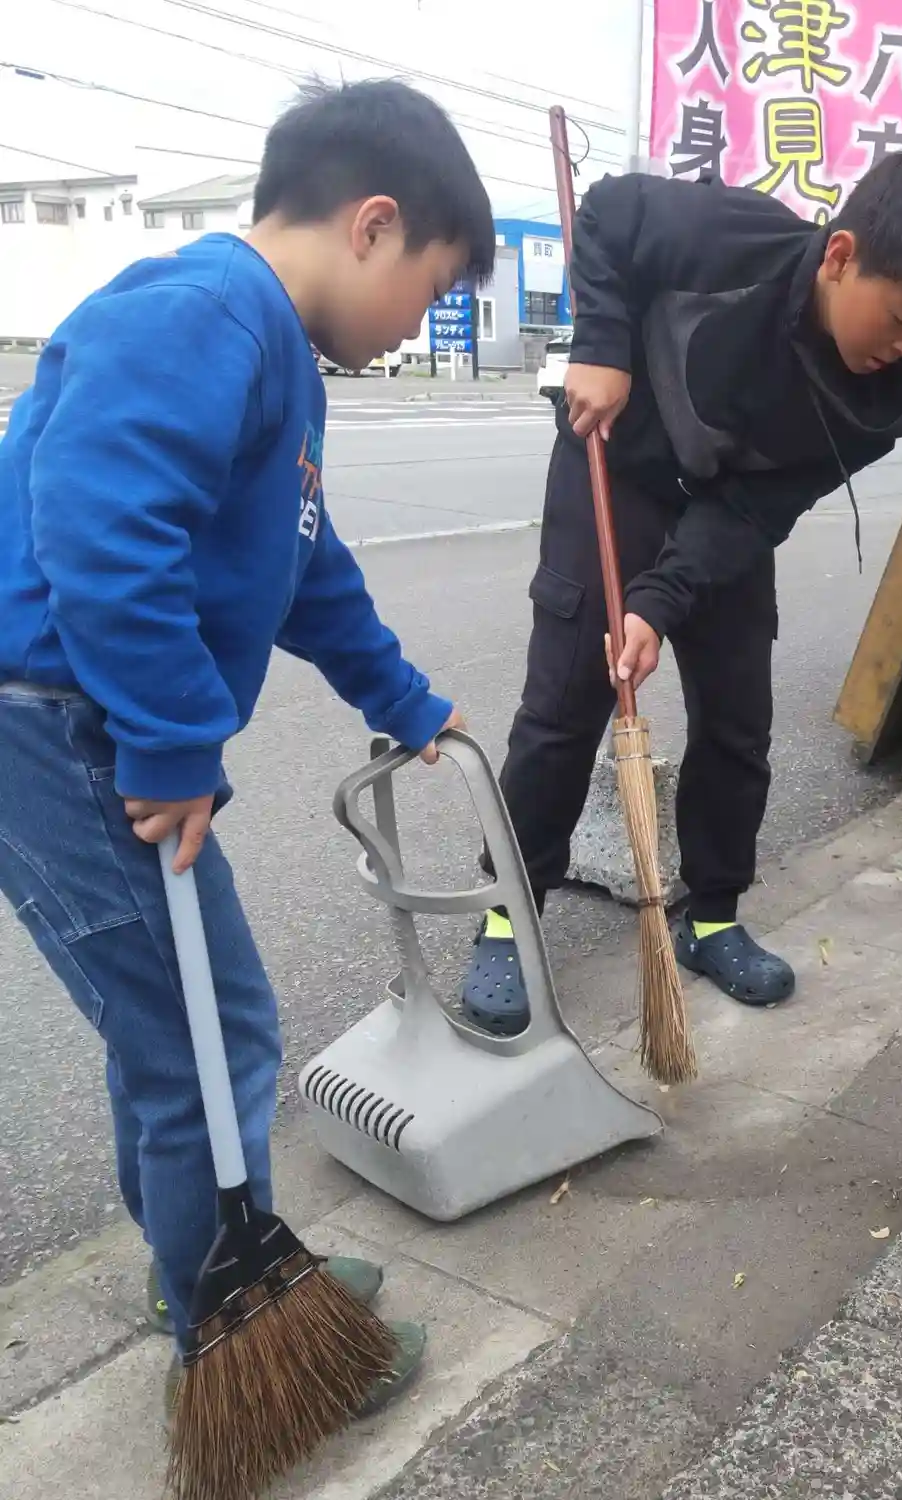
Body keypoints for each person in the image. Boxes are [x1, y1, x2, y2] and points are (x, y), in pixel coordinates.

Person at [0, 78, 494, 1413]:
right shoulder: (204, 313)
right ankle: (234, 1329)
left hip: (91, 720)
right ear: (373, 225)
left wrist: (401, 696)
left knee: (180, 1027)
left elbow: (301, 572)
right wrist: (170, 742)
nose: (420, 326)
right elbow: (100, 523)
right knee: (205, 1036)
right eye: (431, 289)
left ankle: (206, 1275)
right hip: (59, 724)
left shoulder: (272, 356)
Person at [460, 151, 902, 1035]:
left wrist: (660, 600)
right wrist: (600, 348)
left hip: (727, 511)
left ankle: (710, 916)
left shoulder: (888, 401)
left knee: (738, 720)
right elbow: (608, 214)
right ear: (840, 257)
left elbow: (754, 509)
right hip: (616, 466)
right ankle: (508, 915)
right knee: (564, 703)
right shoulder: (730, 238)